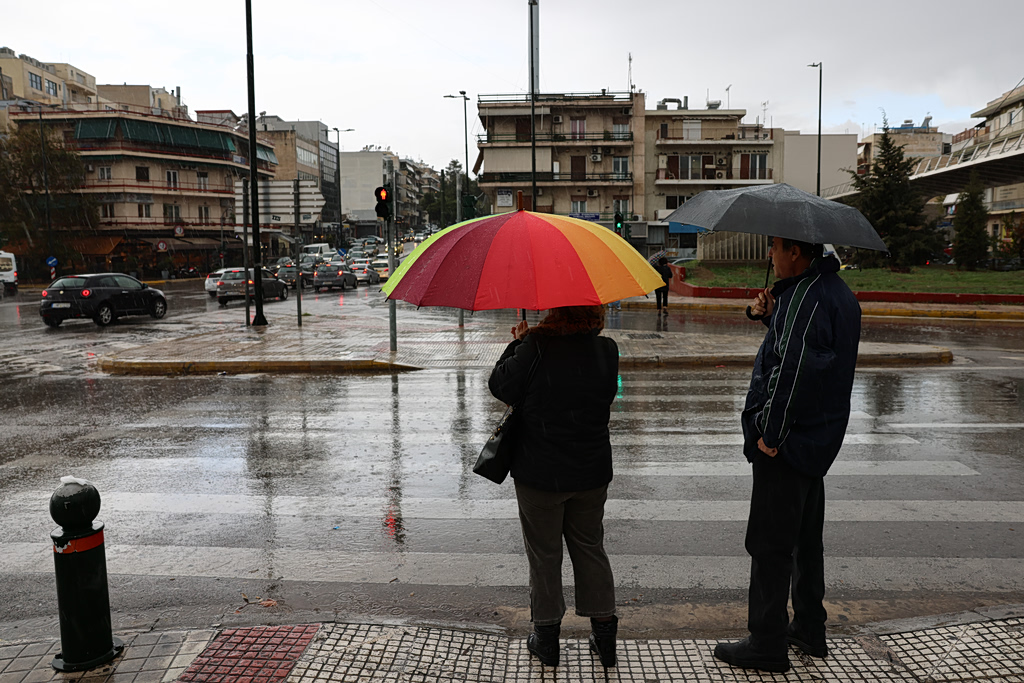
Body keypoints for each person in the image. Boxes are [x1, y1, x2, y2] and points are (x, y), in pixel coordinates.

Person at [713, 237, 861, 674]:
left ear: (796, 253)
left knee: (770, 545)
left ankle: (766, 643)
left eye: (776, 248)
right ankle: (810, 629)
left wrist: (770, 434)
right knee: (804, 539)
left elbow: (795, 370)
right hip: (818, 439)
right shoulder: (833, 293)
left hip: (791, 441)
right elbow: (810, 350)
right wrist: (771, 315)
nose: (770, 256)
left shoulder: (808, 299)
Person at [488, 306, 620, 668]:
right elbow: (602, 398)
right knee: (590, 548)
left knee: (544, 556)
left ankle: (546, 642)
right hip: (591, 471)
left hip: (540, 474)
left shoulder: (535, 347)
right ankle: (605, 637)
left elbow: (500, 385)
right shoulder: (606, 349)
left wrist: (518, 343)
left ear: (555, 310)